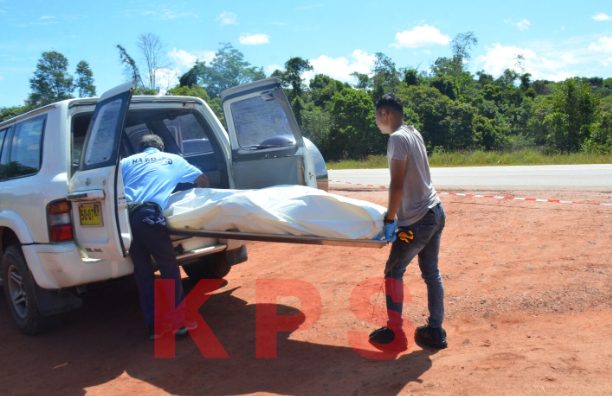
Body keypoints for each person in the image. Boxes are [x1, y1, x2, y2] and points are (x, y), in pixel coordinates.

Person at [368, 94, 447, 351]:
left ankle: (394, 333)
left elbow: (397, 183)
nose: (377, 122)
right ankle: (435, 330)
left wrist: (390, 219)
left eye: (377, 116)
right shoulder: (413, 132)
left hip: (416, 224)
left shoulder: (397, 138)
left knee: (393, 271)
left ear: (385, 114)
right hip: (435, 213)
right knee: (431, 273)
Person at [120, 134, 209, 340]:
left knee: (143, 273)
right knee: (169, 268)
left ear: (141, 149)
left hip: (126, 219)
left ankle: (154, 327)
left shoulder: (125, 162)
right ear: (160, 147)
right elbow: (202, 179)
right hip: (150, 216)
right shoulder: (173, 159)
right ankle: (178, 324)